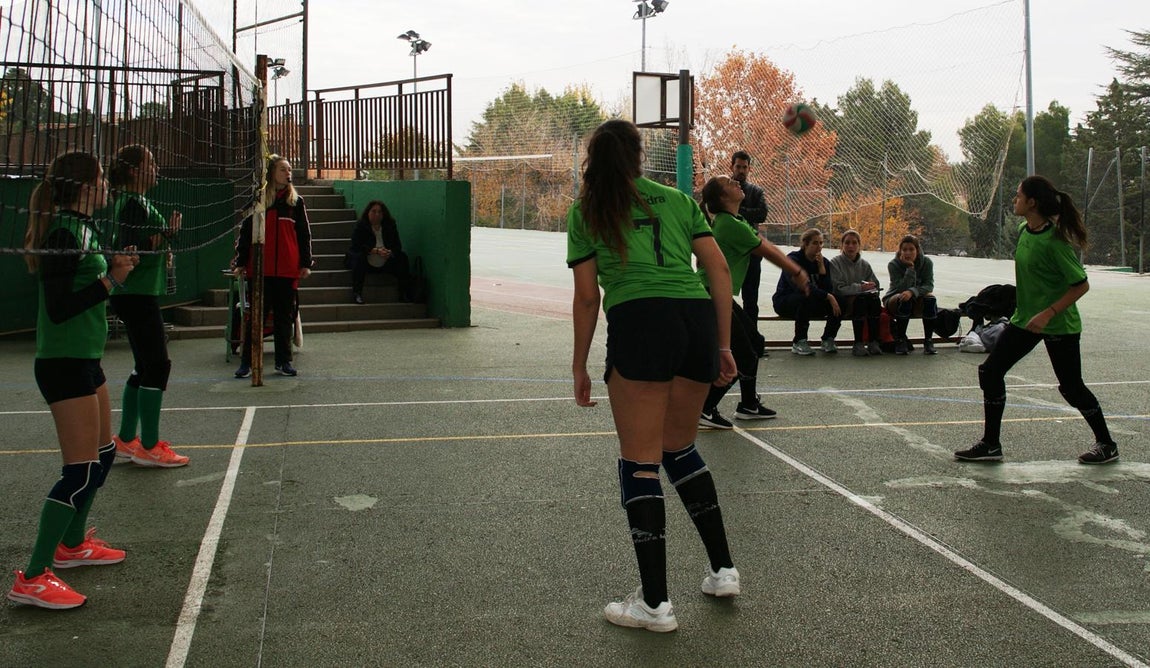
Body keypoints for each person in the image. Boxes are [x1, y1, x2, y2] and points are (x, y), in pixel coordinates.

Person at [568, 120, 740, 633]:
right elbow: (719, 271)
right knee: (679, 449)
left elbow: (587, 298)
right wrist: (723, 344)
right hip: (694, 319)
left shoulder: (587, 210)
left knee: (640, 462)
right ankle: (723, 571)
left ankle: (655, 605)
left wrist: (578, 365)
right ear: (638, 156)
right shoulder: (680, 200)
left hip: (641, 321)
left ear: (594, 160)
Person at [8, 151, 138, 609]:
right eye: (101, 179)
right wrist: (111, 280)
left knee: (104, 455)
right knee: (79, 471)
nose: (107, 186)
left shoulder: (84, 228)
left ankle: (72, 544)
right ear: (85, 187)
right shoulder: (63, 233)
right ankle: (33, 576)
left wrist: (114, 271)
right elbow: (61, 307)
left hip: (85, 357)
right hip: (63, 363)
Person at [955, 175, 1119, 465]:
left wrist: (1048, 313)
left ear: (1032, 202)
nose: (1014, 200)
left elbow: (1081, 285)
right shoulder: (1024, 230)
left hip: (1059, 324)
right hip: (1025, 321)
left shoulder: (1056, 242)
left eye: (1018, 196)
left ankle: (1107, 444)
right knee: (990, 372)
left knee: (1071, 388)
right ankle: (991, 445)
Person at [696, 175, 808, 429]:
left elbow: (764, 242)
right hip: (708, 294)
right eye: (730, 183)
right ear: (722, 197)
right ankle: (705, 407)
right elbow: (765, 250)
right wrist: (797, 271)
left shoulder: (736, 220)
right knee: (743, 354)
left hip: (718, 293)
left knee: (755, 343)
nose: (736, 183)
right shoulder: (728, 224)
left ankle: (748, 404)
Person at [107, 145, 189, 467]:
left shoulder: (137, 201)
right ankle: (150, 447)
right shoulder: (131, 203)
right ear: (134, 171)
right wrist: (165, 234)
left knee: (144, 366)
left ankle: (126, 439)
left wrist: (165, 235)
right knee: (156, 365)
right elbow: (132, 247)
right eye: (150, 163)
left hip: (135, 292)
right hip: (135, 293)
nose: (156, 168)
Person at [233, 155, 313, 378]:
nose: (288, 173)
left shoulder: (296, 202)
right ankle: (247, 363)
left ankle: (283, 361)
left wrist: (305, 263)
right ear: (271, 173)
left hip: (287, 270)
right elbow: (246, 232)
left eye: (289, 170)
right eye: (283, 169)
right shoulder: (259, 200)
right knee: (255, 317)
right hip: (260, 269)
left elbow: (304, 234)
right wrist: (241, 261)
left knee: (284, 317)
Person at [772, 228, 841, 355]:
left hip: (812, 302)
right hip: (786, 302)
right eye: (815, 243)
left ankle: (828, 338)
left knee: (840, 301)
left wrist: (822, 270)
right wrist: (828, 296)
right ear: (805, 244)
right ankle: (799, 341)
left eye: (821, 243)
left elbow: (828, 289)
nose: (819, 247)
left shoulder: (823, 262)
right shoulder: (793, 259)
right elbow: (803, 287)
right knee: (806, 296)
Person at [731, 151, 770, 354]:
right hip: (729, 251)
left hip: (751, 252)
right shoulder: (723, 188)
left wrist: (736, 211)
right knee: (722, 297)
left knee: (751, 300)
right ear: (732, 167)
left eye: (744, 167)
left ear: (749, 169)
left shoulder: (755, 191)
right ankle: (727, 343)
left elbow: (762, 214)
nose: (741, 170)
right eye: (738, 166)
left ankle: (752, 343)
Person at [829, 229, 884, 357]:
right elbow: (837, 288)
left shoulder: (865, 265)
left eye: (854, 243)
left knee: (874, 300)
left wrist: (872, 287)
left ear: (859, 245)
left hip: (865, 301)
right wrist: (860, 288)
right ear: (842, 245)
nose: (851, 246)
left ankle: (873, 341)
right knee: (861, 300)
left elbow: (875, 284)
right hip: (844, 303)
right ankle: (858, 343)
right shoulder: (835, 263)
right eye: (847, 243)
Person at [346, 200, 411, 304]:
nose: (377, 214)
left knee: (402, 257)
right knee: (359, 258)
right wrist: (374, 250)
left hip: (385, 262)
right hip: (367, 261)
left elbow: (397, 246)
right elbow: (356, 246)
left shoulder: (390, 226)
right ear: (368, 212)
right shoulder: (361, 226)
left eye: (380, 212)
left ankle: (403, 294)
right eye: (374, 211)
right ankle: (357, 293)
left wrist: (390, 252)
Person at [883, 235, 937, 355]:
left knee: (930, 299)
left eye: (911, 249)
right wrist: (910, 269)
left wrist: (912, 292)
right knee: (904, 298)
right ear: (900, 251)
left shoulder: (927, 263)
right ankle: (901, 340)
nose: (908, 253)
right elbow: (900, 288)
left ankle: (928, 341)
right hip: (894, 298)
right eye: (904, 250)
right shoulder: (893, 264)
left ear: (917, 250)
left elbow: (929, 285)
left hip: (916, 298)